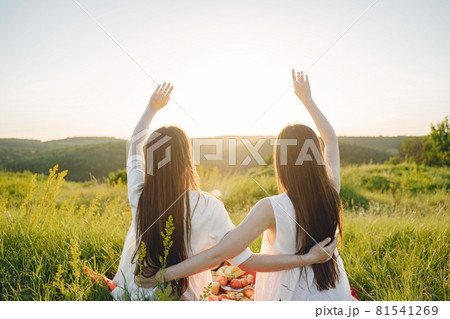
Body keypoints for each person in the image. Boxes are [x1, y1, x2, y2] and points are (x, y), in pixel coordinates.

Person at [112, 82, 337, 300]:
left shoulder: (139, 194)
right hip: (186, 298)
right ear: (187, 162)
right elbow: (241, 259)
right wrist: (307, 100)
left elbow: (134, 144)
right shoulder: (209, 207)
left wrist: (152, 108)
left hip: (136, 291)